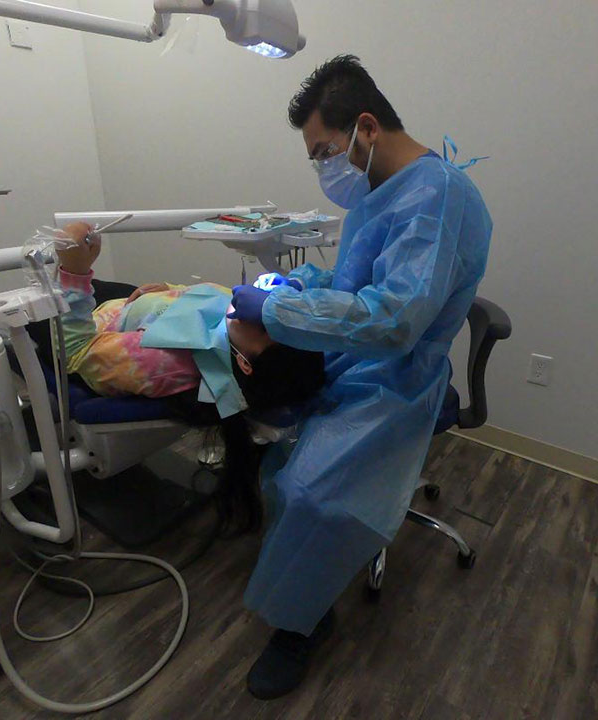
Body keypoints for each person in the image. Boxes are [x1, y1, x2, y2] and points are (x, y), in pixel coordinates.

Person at [228, 55, 493, 699]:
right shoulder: (382, 193)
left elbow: (397, 320)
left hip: (397, 379)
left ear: (366, 128)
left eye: (325, 150)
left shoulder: (438, 199)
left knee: (311, 489)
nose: (325, 167)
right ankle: (302, 588)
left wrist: (283, 310)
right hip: (354, 359)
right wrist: (297, 284)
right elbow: (356, 286)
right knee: (278, 455)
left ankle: (301, 625)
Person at [51, 222, 326, 530]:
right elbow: (202, 299)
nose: (255, 308)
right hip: (132, 303)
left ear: (245, 364)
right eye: (273, 308)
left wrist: (73, 273)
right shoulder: (239, 323)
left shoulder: (164, 360)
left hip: (87, 322)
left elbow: (73, 351)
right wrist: (168, 292)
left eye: (263, 325)